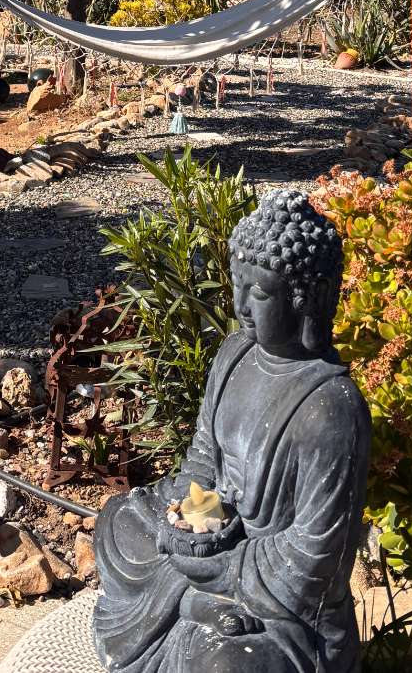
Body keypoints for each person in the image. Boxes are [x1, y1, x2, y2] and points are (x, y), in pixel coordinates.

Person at [93, 190, 370, 672]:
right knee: (119, 521)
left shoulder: (331, 408)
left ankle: (190, 602)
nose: (242, 306)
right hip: (216, 540)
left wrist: (222, 567)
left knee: (225, 667)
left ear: (307, 298)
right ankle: (191, 603)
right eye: (238, 285)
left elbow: (317, 555)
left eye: (260, 293)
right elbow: (203, 461)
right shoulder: (234, 354)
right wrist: (186, 522)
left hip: (282, 609)